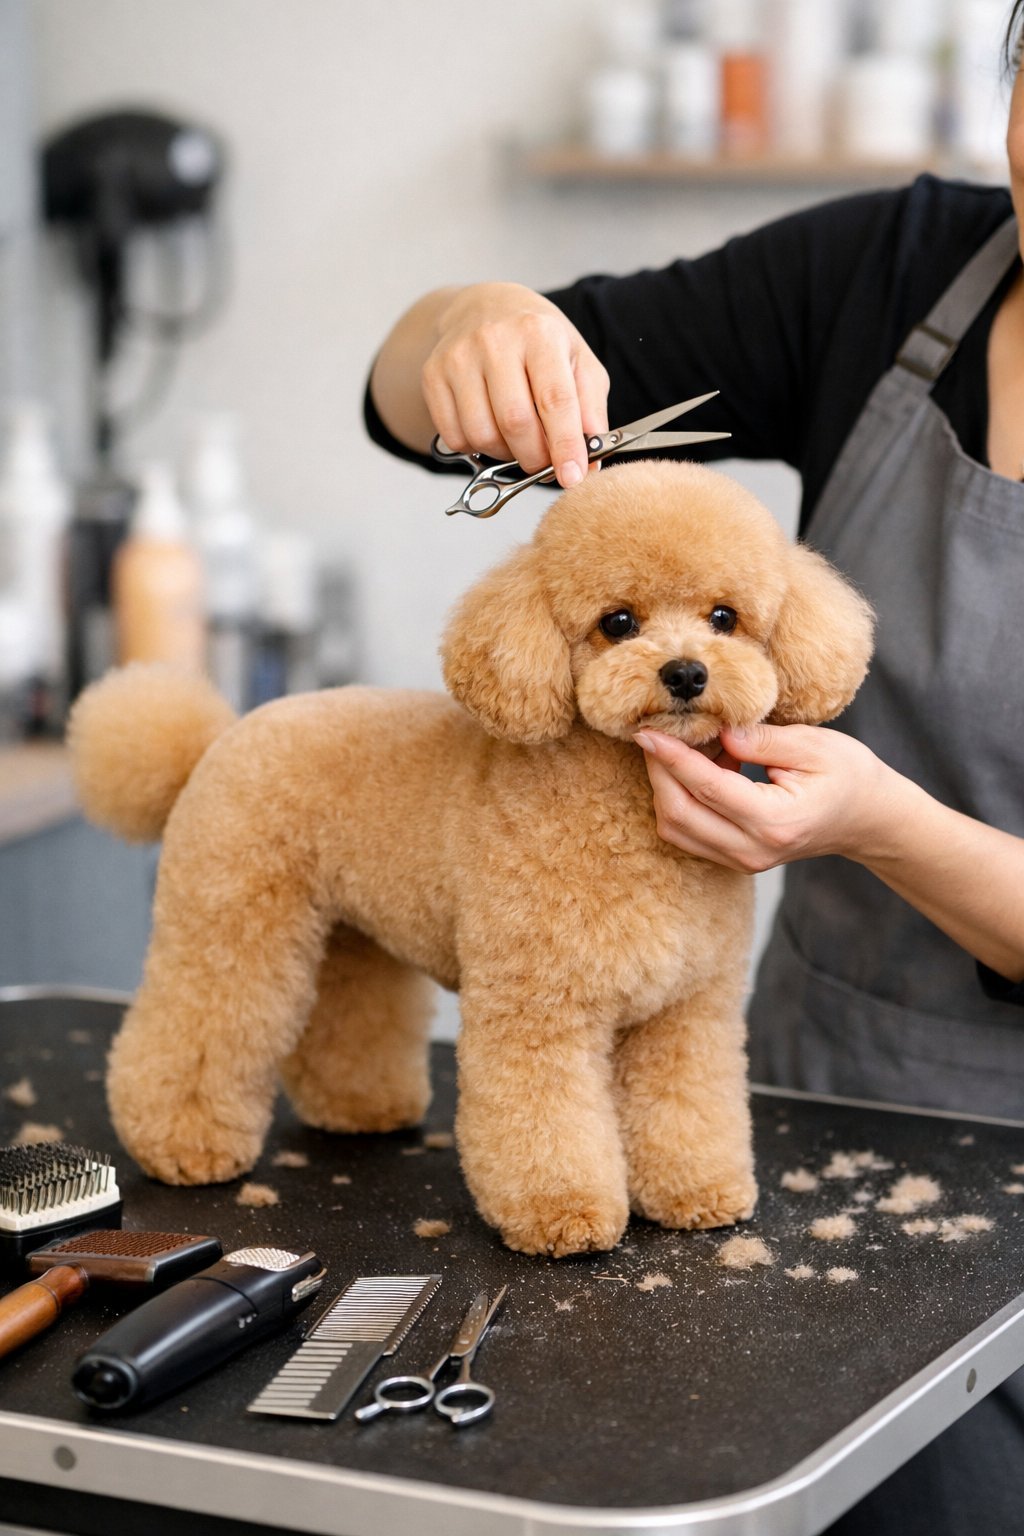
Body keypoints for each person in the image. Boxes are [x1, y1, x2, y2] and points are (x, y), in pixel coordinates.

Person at [364, 8, 1024, 1534]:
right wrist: (468, 325)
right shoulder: (893, 272)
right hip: (810, 1116)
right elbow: (421, 411)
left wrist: (884, 829)